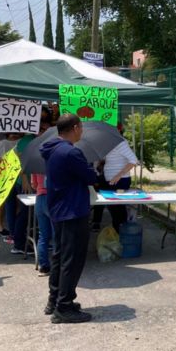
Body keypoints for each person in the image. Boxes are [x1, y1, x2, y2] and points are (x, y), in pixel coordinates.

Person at [41, 114, 99, 323]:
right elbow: (90, 177)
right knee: (71, 260)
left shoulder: (52, 148)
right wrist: (94, 170)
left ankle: (56, 299)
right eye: (81, 127)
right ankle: (64, 307)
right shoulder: (71, 152)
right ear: (74, 127)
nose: (82, 131)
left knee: (60, 256)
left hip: (59, 209)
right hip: (72, 210)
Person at [93, 132, 138, 232]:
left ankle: (121, 233)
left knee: (118, 209)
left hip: (120, 181)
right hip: (112, 181)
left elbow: (134, 160)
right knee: (114, 208)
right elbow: (112, 160)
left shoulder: (120, 143)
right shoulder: (110, 144)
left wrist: (118, 175)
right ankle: (119, 233)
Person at [32, 120, 54, 276]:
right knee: (58, 235)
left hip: (40, 198)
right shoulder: (56, 158)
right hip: (53, 198)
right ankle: (59, 265)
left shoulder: (35, 160)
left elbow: (34, 184)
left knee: (43, 235)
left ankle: (43, 265)